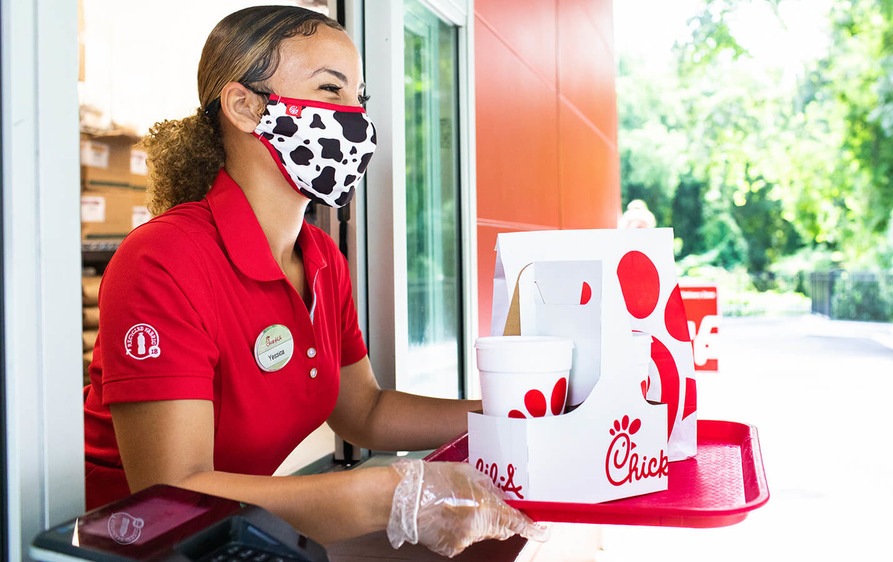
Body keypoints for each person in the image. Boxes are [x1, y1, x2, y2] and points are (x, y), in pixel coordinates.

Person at [82, 5, 546, 557]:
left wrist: (510, 415)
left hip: (238, 534)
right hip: (125, 544)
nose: (356, 120)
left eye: (359, 99)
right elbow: (172, 492)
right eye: (331, 92)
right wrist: (387, 493)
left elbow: (364, 412)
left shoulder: (322, 257)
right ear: (245, 107)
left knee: (499, 538)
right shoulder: (162, 259)